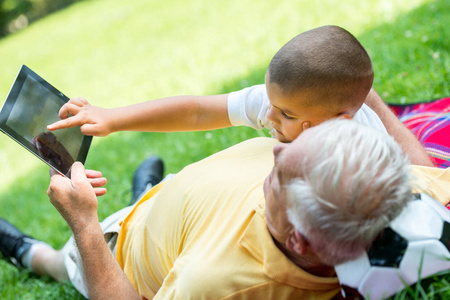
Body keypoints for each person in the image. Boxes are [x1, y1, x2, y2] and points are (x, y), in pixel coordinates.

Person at [1, 119, 423, 299]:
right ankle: (145, 190)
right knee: (156, 192)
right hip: (178, 213)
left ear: (297, 239)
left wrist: (84, 222)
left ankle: (24, 249)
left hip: (123, 247)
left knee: (62, 261)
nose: (278, 148)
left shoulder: (212, 284)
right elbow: (425, 172)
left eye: (279, 173)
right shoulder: (377, 183)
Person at [46, 25, 433, 166]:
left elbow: (426, 183)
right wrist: (113, 118)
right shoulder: (280, 103)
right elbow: (198, 111)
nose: (270, 117)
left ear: (337, 123)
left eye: (284, 114)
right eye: (271, 102)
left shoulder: (366, 153)